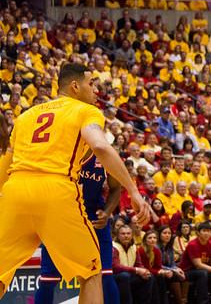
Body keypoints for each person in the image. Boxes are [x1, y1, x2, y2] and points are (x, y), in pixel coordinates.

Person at [0, 63, 151, 303]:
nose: (95, 91)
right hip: (55, 190)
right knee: (91, 271)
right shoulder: (85, 110)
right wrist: (133, 190)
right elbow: (100, 145)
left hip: (14, 191)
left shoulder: (25, 116)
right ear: (75, 86)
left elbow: (5, 165)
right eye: (91, 84)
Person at [35, 155, 122, 304]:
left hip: (94, 219)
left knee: (105, 275)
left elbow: (116, 188)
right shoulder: (61, 150)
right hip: (61, 219)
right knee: (48, 279)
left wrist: (107, 212)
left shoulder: (103, 154)